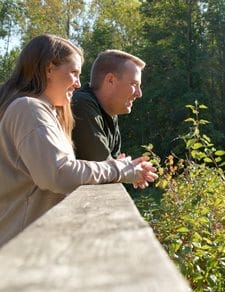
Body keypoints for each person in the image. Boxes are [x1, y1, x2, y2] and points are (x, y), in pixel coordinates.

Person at [0, 34, 158, 246]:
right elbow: (60, 173)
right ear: (49, 69)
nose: (78, 84)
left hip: (34, 244)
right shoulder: (28, 108)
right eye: (74, 73)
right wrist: (121, 169)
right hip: (20, 248)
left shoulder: (45, 113)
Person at [71, 49, 145, 161]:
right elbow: (104, 169)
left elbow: (112, 171)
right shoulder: (80, 104)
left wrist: (123, 169)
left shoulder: (109, 113)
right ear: (110, 80)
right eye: (134, 84)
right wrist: (126, 169)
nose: (139, 94)